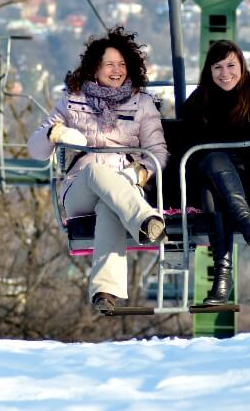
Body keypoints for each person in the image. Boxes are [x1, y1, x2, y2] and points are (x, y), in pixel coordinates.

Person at [27, 26, 169, 314]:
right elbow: (35, 149)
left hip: (125, 185)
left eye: (121, 64)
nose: (116, 71)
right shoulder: (72, 100)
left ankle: (105, 292)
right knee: (94, 171)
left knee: (109, 205)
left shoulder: (142, 104)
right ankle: (146, 221)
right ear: (95, 67)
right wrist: (55, 133)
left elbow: (158, 154)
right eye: (109, 65)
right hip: (79, 189)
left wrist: (139, 174)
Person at [180, 40, 250, 305]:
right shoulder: (199, 102)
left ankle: (222, 279)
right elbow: (188, 149)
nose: (224, 73)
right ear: (209, 70)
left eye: (230, 66)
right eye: (217, 67)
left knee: (213, 183)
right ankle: (248, 227)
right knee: (213, 168)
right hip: (208, 180)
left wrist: (236, 159)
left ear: (242, 66)